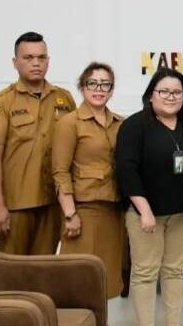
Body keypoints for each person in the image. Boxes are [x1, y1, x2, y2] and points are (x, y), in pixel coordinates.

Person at [116, 68, 183, 326]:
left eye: (177, 92)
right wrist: (145, 210)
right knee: (145, 273)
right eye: (164, 91)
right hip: (146, 215)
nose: (171, 97)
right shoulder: (134, 126)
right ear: (151, 94)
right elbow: (126, 170)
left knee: (175, 271)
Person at [0, 31, 76, 255]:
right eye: (28, 58)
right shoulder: (0, 104)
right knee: (13, 271)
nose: (36, 63)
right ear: (15, 62)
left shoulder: (64, 99)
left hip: (53, 202)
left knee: (45, 269)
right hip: (15, 205)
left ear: (48, 61)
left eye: (41, 58)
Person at [51, 62, 125, 298]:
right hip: (83, 211)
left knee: (108, 283)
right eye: (92, 83)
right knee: (78, 283)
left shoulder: (120, 123)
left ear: (112, 90)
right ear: (82, 88)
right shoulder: (69, 123)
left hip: (113, 211)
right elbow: (60, 171)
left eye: (105, 84)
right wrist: (70, 214)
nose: (99, 89)